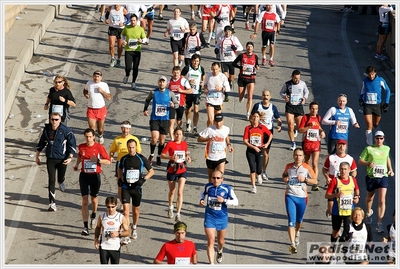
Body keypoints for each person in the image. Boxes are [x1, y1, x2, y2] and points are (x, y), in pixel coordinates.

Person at [35, 112, 77, 211]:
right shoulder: (47, 130)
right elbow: (41, 143)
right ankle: (52, 203)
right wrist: (37, 156)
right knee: (51, 179)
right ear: (50, 119)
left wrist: (70, 157)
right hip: (50, 158)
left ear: (60, 120)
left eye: (56, 119)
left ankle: (61, 181)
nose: (54, 121)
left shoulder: (66, 131)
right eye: (52, 119)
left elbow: (72, 144)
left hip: (62, 159)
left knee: (60, 177)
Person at [73, 128, 111, 236]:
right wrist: (77, 165)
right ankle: (85, 227)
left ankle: (93, 215)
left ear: (94, 137)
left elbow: (108, 161)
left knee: (94, 199)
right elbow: (80, 155)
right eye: (86, 137)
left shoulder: (99, 147)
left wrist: (98, 161)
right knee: (84, 201)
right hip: (84, 175)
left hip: (95, 176)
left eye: (90, 136)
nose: (88, 139)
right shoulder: (81, 147)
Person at [282, 148, 317, 254]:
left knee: (299, 220)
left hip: (302, 197)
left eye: (300, 155)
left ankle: (297, 232)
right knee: (291, 221)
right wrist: (285, 179)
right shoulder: (289, 166)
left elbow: (315, 180)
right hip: (290, 196)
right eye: (296, 155)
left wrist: (305, 180)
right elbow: (284, 175)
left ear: (303, 157)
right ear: (293, 156)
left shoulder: (307, 167)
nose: (298, 157)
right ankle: (292, 244)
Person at [118, 139, 154, 243]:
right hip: (126, 187)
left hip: (137, 188)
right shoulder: (124, 158)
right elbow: (120, 168)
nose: (131, 149)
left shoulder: (141, 158)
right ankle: (127, 232)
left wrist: (143, 179)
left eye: (133, 147)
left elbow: (151, 171)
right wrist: (120, 179)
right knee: (125, 211)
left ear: (136, 147)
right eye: (129, 147)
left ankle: (134, 227)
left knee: (136, 211)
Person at [199, 169, 239, 264]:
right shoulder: (208, 187)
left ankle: (220, 250)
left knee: (220, 241)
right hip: (210, 217)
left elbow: (236, 202)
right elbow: (201, 192)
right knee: (211, 241)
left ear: (222, 179)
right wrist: (201, 199)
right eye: (213, 178)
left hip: (222, 218)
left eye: (218, 178)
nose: (215, 180)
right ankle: (211, 264)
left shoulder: (227, 188)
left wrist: (224, 201)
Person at [358, 130, 394, 233]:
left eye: (381, 138)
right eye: (377, 138)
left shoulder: (386, 148)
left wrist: (390, 169)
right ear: (374, 139)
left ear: (384, 139)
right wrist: (368, 163)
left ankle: (379, 223)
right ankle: (369, 212)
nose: (379, 140)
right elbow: (360, 160)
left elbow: (387, 158)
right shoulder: (368, 149)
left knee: (382, 200)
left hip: (383, 176)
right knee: (370, 198)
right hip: (371, 176)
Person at [143, 76, 179, 166]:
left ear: (166, 83)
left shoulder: (170, 93)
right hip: (154, 119)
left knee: (162, 141)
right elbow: (147, 100)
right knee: (154, 139)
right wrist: (145, 109)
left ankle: (159, 156)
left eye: (163, 82)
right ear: (158, 82)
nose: (161, 83)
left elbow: (177, 104)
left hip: (165, 120)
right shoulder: (153, 92)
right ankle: (151, 155)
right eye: (160, 81)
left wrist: (173, 105)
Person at [109, 121, 142, 212]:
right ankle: (124, 203)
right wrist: (111, 156)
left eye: (127, 128)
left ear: (129, 129)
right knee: (120, 186)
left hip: (132, 165)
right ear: (121, 128)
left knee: (133, 185)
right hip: (120, 164)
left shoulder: (134, 139)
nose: (125, 130)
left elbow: (139, 151)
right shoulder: (117, 140)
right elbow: (112, 151)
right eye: (123, 128)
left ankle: (132, 202)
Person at [161, 127, 192, 222]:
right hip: (172, 169)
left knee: (180, 192)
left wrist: (188, 157)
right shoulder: (170, 144)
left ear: (183, 135)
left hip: (182, 169)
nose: (178, 136)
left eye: (180, 134)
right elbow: (162, 155)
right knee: (172, 191)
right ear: (174, 134)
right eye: (177, 134)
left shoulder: (184, 144)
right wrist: (170, 157)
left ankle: (178, 213)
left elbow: (186, 153)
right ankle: (170, 207)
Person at [325, 162, 360, 244]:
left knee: (347, 232)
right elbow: (327, 195)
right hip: (337, 211)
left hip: (349, 211)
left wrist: (357, 197)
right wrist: (336, 194)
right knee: (335, 232)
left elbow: (357, 190)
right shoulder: (335, 180)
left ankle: (343, 247)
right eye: (341, 169)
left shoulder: (353, 180)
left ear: (349, 170)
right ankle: (332, 249)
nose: (343, 171)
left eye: (345, 169)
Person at [251, 89, 282, 181]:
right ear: (262, 96)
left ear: (270, 97)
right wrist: (252, 124)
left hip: (268, 132)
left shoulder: (273, 107)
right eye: (264, 95)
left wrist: (279, 126)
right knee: (256, 152)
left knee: (265, 154)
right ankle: (258, 170)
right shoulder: (257, 106)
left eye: (267, 95)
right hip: (257, 132)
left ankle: (263, 171)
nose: (266, 97)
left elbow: (279, 119)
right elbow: (251, 117)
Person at [322, 140, 358, 219]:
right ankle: (330, 211)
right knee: (331, 211)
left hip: (345, 187)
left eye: (343, 145)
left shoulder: (350, 159)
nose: (341, 147)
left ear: (346, 147)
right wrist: (327, 177)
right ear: (336, 146)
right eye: (339, 145)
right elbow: (324, 169)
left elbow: (354, 171)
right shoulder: (331, 158)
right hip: (333, 186)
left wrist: (352, 179)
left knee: (343, 213)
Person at [359, 66, 391, 145]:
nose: (371, 76)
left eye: (372, 74)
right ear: (367, 74)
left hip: (377, 105)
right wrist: (360, 99)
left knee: (375, 124)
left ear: (375, 73)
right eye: (369, 75)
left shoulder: (380, 80)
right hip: (367, 105)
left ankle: (369, 133)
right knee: (369, 124)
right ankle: (370, 145)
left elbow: (387, 90)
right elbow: (362, 90)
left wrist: (386, 102)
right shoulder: (365, 81)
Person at [198, 114, 234, 182]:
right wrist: (208, 139)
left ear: (223, 121)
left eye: (220, 121)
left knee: (220, 176)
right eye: (216, 122)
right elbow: (199, 139)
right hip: (211, 157)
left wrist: (229, 144)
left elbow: (226, 136)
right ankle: (210, 191)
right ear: (214, 121)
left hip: (221, 157)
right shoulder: (209, 129)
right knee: (211, 178)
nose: (218, 123)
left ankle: (219, 191)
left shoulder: (226, 129)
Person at [298, 101, 325, 191]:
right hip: (306, 143)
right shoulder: (305, 117)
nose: (314, 110)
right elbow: (300, 130)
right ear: (309, 109)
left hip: (316, 143)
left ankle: (315, 182)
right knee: (306, 162)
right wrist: (308, 127)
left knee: (315, 163)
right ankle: (305, 179)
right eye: (312, 108)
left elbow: (319, 126)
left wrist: (322, 131)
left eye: (316, 109)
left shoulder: (318, 117)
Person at [93, 196, 130, 264]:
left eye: (113, 207)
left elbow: (128, 232)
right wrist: (96, 239)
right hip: (104, 246)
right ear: (106, 206)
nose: (110, 209)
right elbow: (98, 228)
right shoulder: (102, 216)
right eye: (108, 207)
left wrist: (118, 234)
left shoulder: (120, 217)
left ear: (116, 206)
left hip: (115, 247)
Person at [243, 111, 273, 194]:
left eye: (257, 117)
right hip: (250, 151)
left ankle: (259, 174)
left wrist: (267, 144)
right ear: (251, 118)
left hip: (260, 150)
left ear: (259, 118)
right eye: (254, 117)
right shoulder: (248, 128)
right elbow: (245, 141)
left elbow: (270, 135)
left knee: (259, 169)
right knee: (252, 169)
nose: (255, 118)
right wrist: (253, 147)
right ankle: (253, 186)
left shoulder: (262, 127)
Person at [279, 69, 309, 150]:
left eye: (298, 78)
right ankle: (293, 143)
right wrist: (285, 96)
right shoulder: (287, 84)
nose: (297, 80)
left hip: (299, 106)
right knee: (290, 124)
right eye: (295, 78)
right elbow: (281, 92)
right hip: (290, 106)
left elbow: (306, 92)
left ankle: (295, 128)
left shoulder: (302, 84)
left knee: (300, 128)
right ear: (292, 77)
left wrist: (304, 98)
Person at [215, 25, 243, 102]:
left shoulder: (234, 39)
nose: (227, 33)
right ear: (224, 32)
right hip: (224, 60)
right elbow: (217, 44)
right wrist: (216, 49)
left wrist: (235, 48)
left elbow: (241, 47)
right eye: (226, 31)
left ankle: (229, 82)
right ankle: (226, 94)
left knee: (231, 78)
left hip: (232, 60)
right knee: (225, 76)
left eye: (229, 32)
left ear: (231, 32)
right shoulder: (221, 38)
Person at [232, 41, 260, 120]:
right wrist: (240, 67)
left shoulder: (255, 56)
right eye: (248, 46)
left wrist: (257, 67)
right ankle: (242, 95)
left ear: (253, 48)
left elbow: (256, 64)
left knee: (250, 96)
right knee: (240, 97)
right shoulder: (241, 56)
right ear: (246, 48)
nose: (249, 48)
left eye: (251, 47)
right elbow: (234, 63)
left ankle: (248, 113)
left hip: (251, 78)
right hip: (242, 78)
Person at [83, 70, 112, 144]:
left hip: (101, 109)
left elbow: (109, 97)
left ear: (101, 78)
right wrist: (86, 94)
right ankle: (93, 143)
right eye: (95, 76)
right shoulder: (89, 83)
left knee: (100, 129)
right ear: (93, 76)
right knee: (92, 128)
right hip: (91, 109)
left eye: (98, 77)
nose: (96, 78)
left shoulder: (104, 85)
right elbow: (85, 90)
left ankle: (100, 135)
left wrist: (102, 91)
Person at [181, 54, 206, 135]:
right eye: (194, 61)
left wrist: (203, 82)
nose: (196, 62)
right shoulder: (187, 68)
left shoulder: (201, 68)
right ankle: (188, 121)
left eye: (197, 61)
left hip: (197, 92)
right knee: (188, 109)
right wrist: (188, 81)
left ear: (199, 62)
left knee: (196, 110)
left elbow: (203, 75)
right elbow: (181, 77)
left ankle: (195, 127)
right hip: (188, 91)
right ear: (191, 61)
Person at [121, 14, 146, 90]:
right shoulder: (127, 28)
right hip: (128, 50)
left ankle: (133, 82)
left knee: (135, 67)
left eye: (134, 20)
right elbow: (122, 35)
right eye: (131, 21)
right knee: (128, 67)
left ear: (137, 21)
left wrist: (142, 41)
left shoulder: (140, 29)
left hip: (137, 51)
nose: (133, 22)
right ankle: (127, 75)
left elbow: (145, 39)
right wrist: (123, 41)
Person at [167, 66, 192, 139]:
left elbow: (190, 91)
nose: (176, 74)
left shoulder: (183, 81)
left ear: (180, 73)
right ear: (172, 72)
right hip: (171, 104)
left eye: (177, 73)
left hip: (180, 104)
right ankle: (172, 138)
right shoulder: (169, 81)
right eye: (174, 72)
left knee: (179, 121)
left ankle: (177, 133)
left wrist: (182, 91)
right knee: (171, 122)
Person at [203, 62, 231, 127]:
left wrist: (221, 88)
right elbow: (205, 85)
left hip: (218, 101)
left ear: (219, 69)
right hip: (209, 99)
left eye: (216, 69)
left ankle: (213, 131)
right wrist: (205, 89)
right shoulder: (208, 75)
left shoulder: (222, 76)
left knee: (217, 120)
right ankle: (210, 133)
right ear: (211, 68)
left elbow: (228, 88)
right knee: (211, 119)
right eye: (213, 69)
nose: (215, 71)